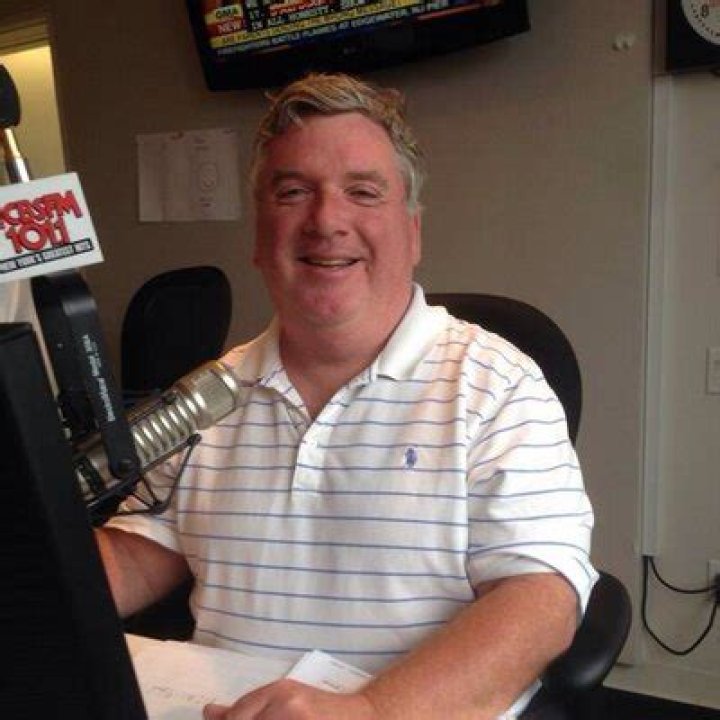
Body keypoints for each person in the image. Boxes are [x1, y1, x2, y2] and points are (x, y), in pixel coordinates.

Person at [98, 72, 597, 719]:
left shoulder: (500, 386)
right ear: (259, 236)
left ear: (412, 232)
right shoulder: (210, 393)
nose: (326, 220)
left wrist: (369, 711)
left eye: (362, 192)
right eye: (293, 192)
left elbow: (540, 600)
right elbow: (141, 549)